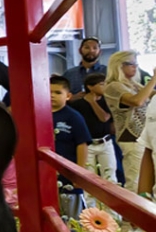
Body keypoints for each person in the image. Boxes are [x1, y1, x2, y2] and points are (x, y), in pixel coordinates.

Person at [102, 50, 156, 193]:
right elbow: (137, 101)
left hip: (143, 137)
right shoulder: (113, 86)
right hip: (131, 136)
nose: (135, 67)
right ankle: (133, 214)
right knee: (136, 180)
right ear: (119, 65)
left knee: (146, 178)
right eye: (131, 64)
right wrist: (154, 79)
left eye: (136, 64)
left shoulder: (134, 85)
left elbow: (151, 95)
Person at [49, 76, 92, 220]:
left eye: (57, 92)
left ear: (68, 96)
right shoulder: (39, 114)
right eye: (48, 92)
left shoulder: (74, 117)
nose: (52, 96)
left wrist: (79, 174)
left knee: (73, 219)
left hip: (68, 175)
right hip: (47, 175)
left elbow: (82, 144)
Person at [69, 73, 118, 187]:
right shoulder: (78, 104)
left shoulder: (107, 100)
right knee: (88, 176)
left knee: (110, 174)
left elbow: (104, 118)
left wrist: (93, 102)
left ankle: (110, 204)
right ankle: (90, 204)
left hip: (105, 141)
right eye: (101, 84)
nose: (105, 87)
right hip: (88, 144)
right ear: (90, 87)